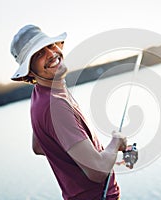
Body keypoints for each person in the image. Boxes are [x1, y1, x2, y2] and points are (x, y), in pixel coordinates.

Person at [10, 25, 127, 200]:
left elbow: (39, 146)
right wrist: (115, 143)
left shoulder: (41, 94)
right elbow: (98, 171)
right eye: (39, 54)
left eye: (50, 46)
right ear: (30, 70)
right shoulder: (55, 106)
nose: (50, 53)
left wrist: (86, 156)